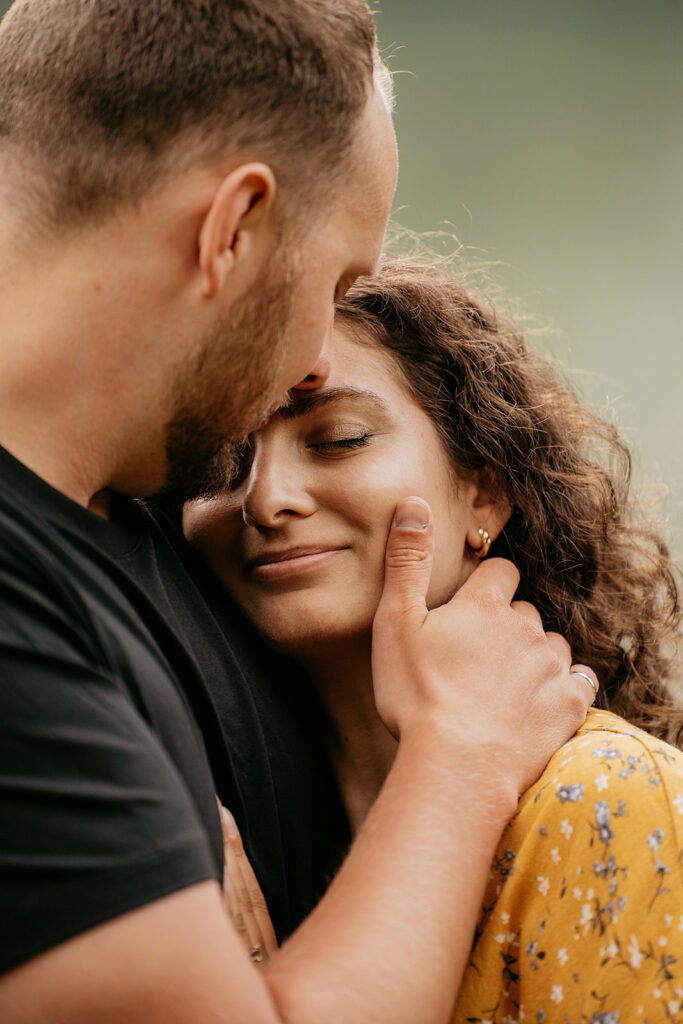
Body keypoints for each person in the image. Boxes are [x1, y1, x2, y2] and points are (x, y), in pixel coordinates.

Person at [0, 3, 596, 1023]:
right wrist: (456, 761)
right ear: (231, 227)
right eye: (337, 279)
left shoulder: (144, 512)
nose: (322, 348)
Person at [184, 253, 683, 1022]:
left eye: (339, 439)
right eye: (225, 459)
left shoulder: (603, 794)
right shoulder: (205, 823)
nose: (269, 499)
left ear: (485, 487)